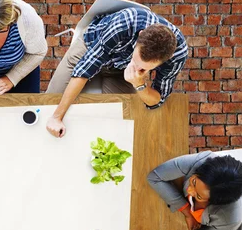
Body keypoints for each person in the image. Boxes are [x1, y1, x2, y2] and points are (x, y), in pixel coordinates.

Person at [45, 7, 188, 138]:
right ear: (140, 35)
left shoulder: (178, 55)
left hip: (120, 70)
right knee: (49, 105)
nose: (137, 68)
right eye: (136, 60)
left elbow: (157, 100)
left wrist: (139, 85)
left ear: (166, 60)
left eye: (143, 68)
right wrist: (57, 117)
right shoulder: (125, 23)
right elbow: (84, 69)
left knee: (118, 124)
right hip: (90, 46)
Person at [147, 152, 242, 230]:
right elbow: (154, 177)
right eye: (193, 181)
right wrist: (187, 212)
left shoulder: (229, 220)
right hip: (200, 211)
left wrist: (192, 227)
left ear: (213, 201)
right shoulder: (201, 161)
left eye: (199, 196)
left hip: (216, 228)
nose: (189, 191)